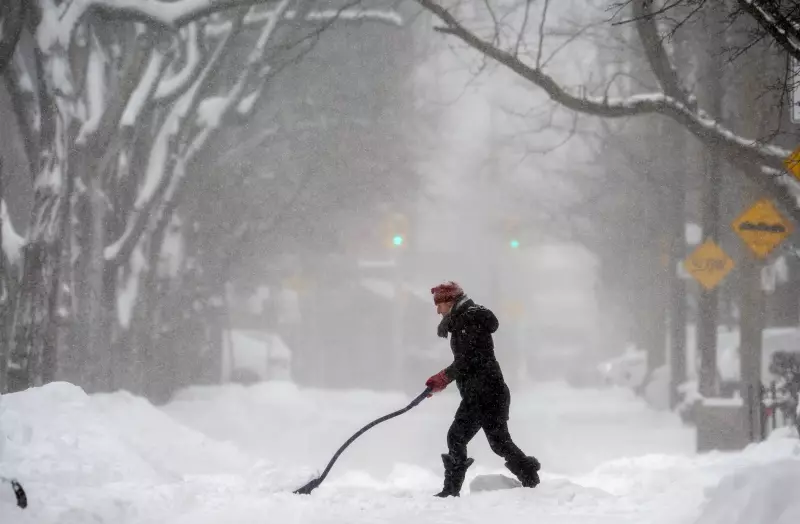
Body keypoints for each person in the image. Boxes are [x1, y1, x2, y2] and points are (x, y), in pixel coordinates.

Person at [425, 281, 540, 497]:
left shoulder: (468, 320)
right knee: (499, 442)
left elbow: (468, 359)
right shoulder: (465, 319)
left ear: (451, 302)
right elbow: (469, 359)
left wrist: (443, 378)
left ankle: (451, 490)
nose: (438, 310)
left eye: (439, 304)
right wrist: (443, 380)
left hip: (482, 393)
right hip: (490, 391)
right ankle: (530, 478)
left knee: (457, 437)